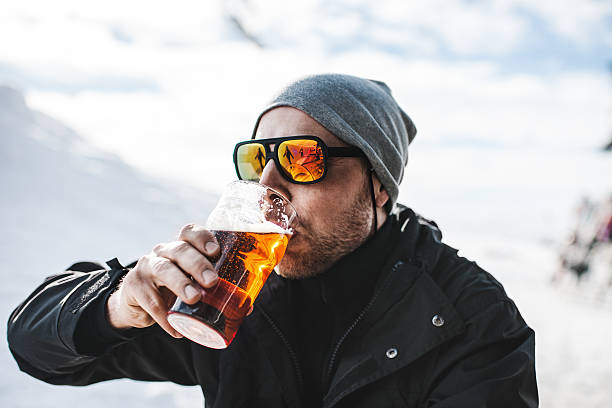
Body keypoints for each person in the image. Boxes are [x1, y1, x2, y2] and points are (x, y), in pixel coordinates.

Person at [7, 74, 538, 407]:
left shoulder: (469, 319)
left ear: (378, 187)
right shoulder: (230, 287)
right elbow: (33, 349)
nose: (266, 189)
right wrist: (121, 302)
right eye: (257, 159)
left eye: (301, 159)